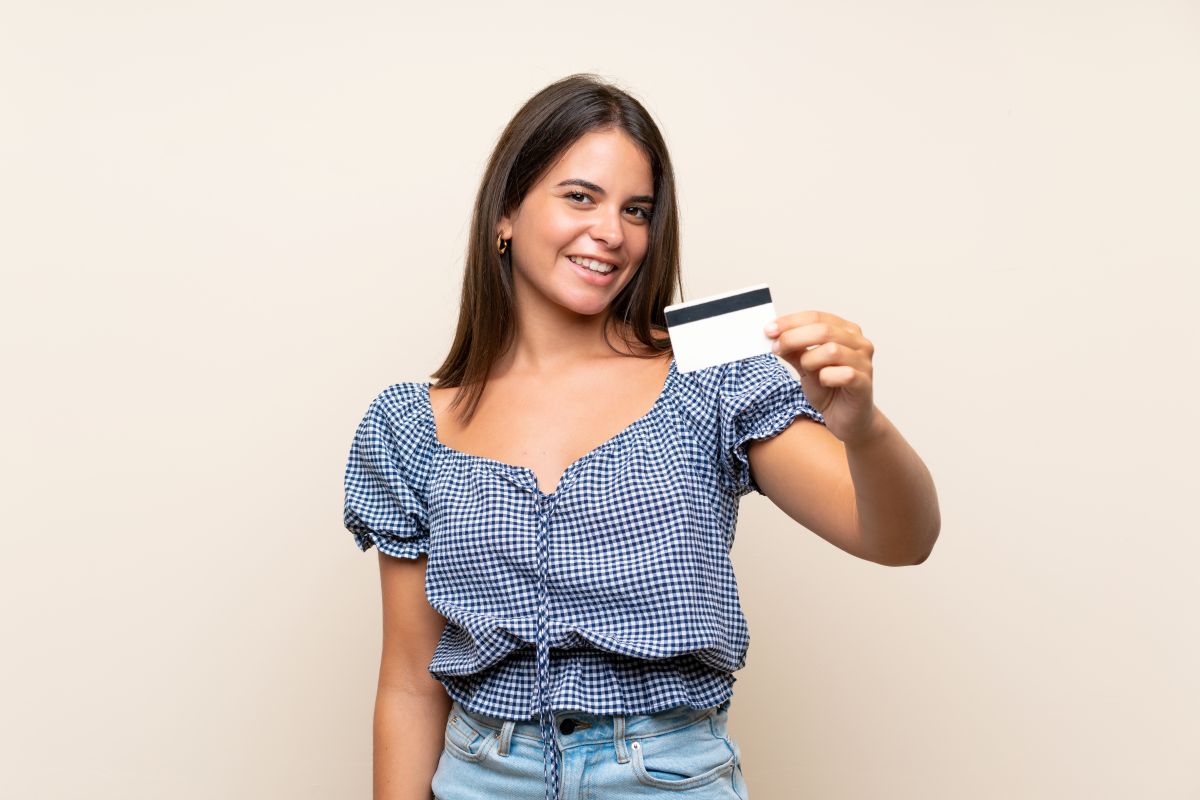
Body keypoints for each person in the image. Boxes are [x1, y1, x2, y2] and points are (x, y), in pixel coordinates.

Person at [342, 73, 940, 800]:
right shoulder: (410, 427)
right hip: (481, 776)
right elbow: (409, 685)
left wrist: (864, 429)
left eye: (637, 210)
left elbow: (900, 540)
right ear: (505, 213)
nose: (612, 233)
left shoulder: (711, 375)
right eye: (580, 197)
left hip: (665, 778)